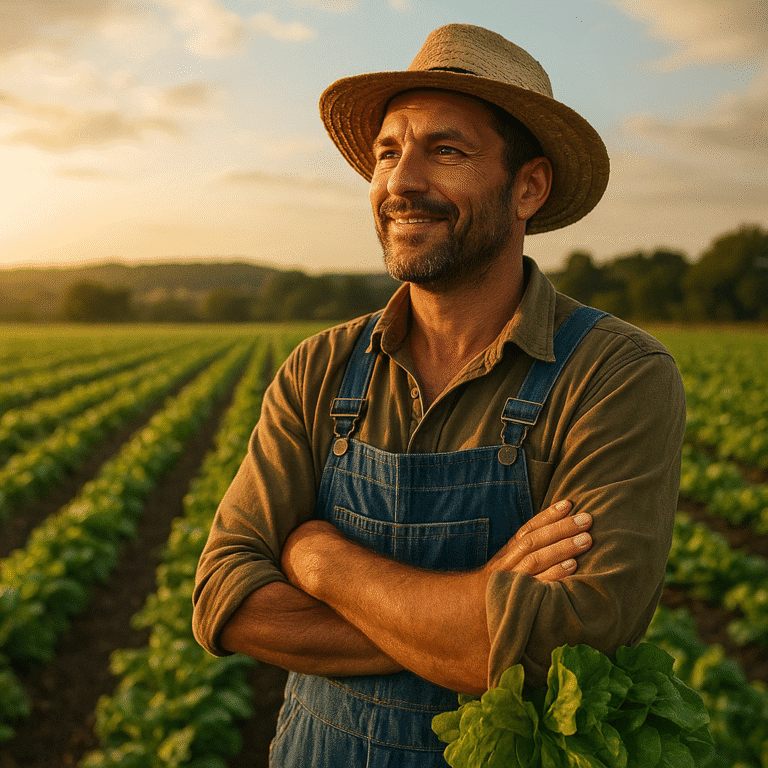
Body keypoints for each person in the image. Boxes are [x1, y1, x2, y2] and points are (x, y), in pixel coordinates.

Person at [192, 23, 685, 767]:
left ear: (529, 186)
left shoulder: (615, 374)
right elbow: (225, 597)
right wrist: (475, 614)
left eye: (445, 151)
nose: (400, 182)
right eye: (388, 151)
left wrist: (323, 563)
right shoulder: (319, 367)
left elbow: (568, 639)